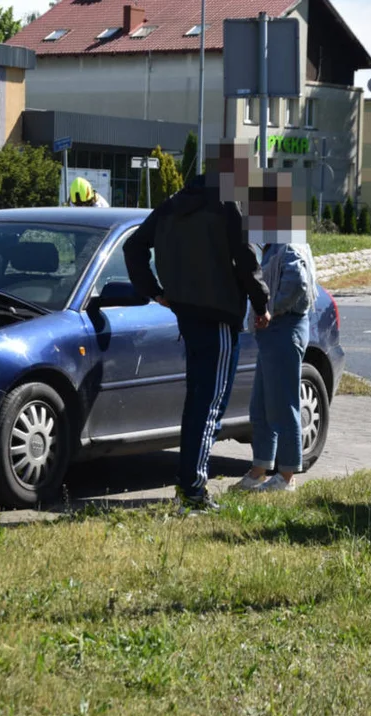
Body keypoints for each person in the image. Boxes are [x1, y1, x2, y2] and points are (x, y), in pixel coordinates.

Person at [123, 140, 271, 513]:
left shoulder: (172, 204)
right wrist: (262, 304)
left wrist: (154, 292)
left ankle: (189, 485)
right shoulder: (227, 208)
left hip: (185, 314)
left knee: (197, 401)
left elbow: (133, 247)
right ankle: (193, 492)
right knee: (211, 405)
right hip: (219, 316)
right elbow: (247, 261)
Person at [234, 170, 318, 493]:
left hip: (285, 329)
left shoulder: (288, 238)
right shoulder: (276, 238)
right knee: (262, 405)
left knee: (282, 404)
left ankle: (286, 477)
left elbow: (297, 282)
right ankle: (259, 470)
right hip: (273, 333)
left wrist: (271, 308)